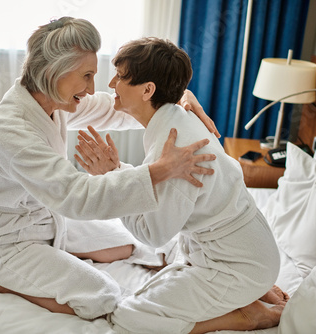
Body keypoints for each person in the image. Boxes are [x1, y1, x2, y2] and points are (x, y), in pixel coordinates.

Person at [0, 17, 219, 321]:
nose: (90, 88)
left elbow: (121, 108)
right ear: (54, 71)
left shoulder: (50, 102)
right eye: (86, 76)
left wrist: (179, 98)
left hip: (48, 221)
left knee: (137, 245)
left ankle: (229, 279)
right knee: (104, 296)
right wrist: (159, 171)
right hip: (7, 243)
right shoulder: (13, 130)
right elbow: (76, 196)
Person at [75, 37, 289, 333]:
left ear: (148, 90)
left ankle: (250, 316)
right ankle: (251, 291)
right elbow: (155, 180)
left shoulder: (179, 151)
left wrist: (110, 178)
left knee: (128, 318)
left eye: (121, 77)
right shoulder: (176, 117)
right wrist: (116, 170)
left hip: (236, 266)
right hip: (241, 253)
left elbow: (152, 233)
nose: (111, 83)